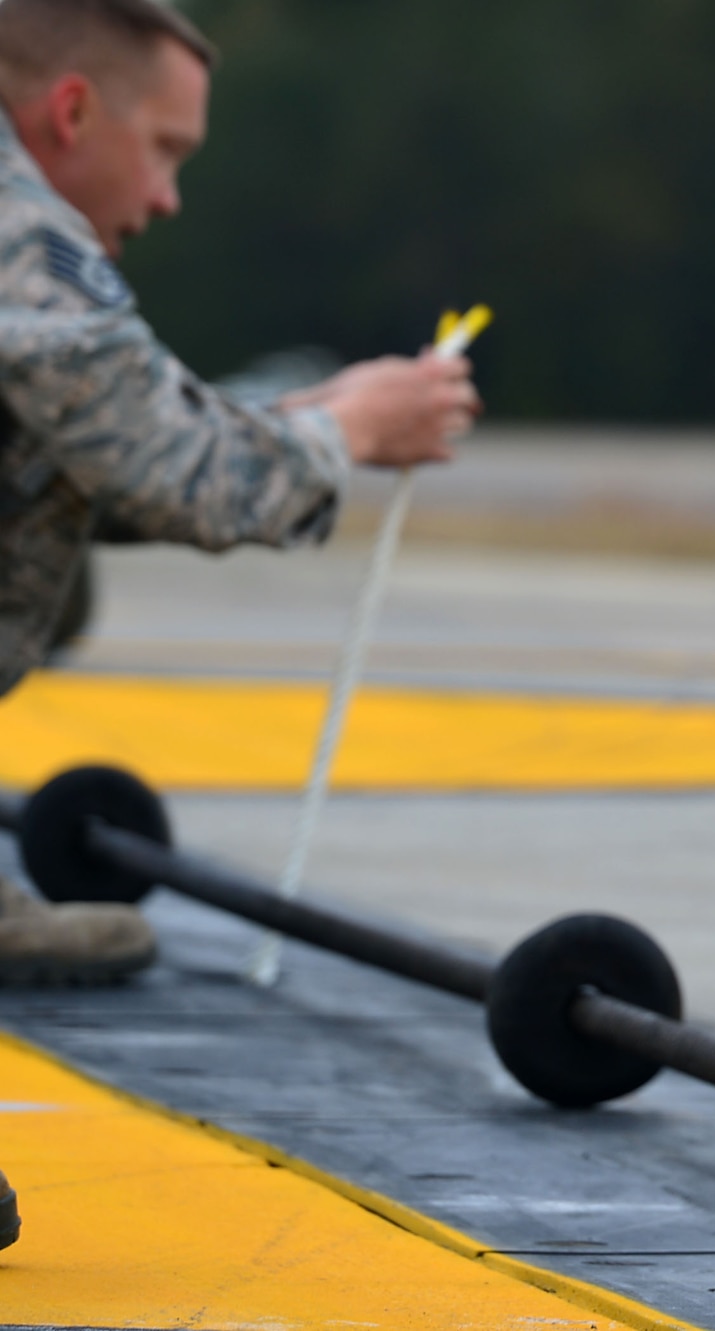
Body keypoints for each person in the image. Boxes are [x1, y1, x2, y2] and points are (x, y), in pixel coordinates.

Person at [0, 0, 476, 992]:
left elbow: (87, 445)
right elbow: (176, 478)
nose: (170, 197)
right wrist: (351, 431)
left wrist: (310, 413)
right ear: (74, 111)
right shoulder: (20, 234)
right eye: (166, 149)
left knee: (52, 534)